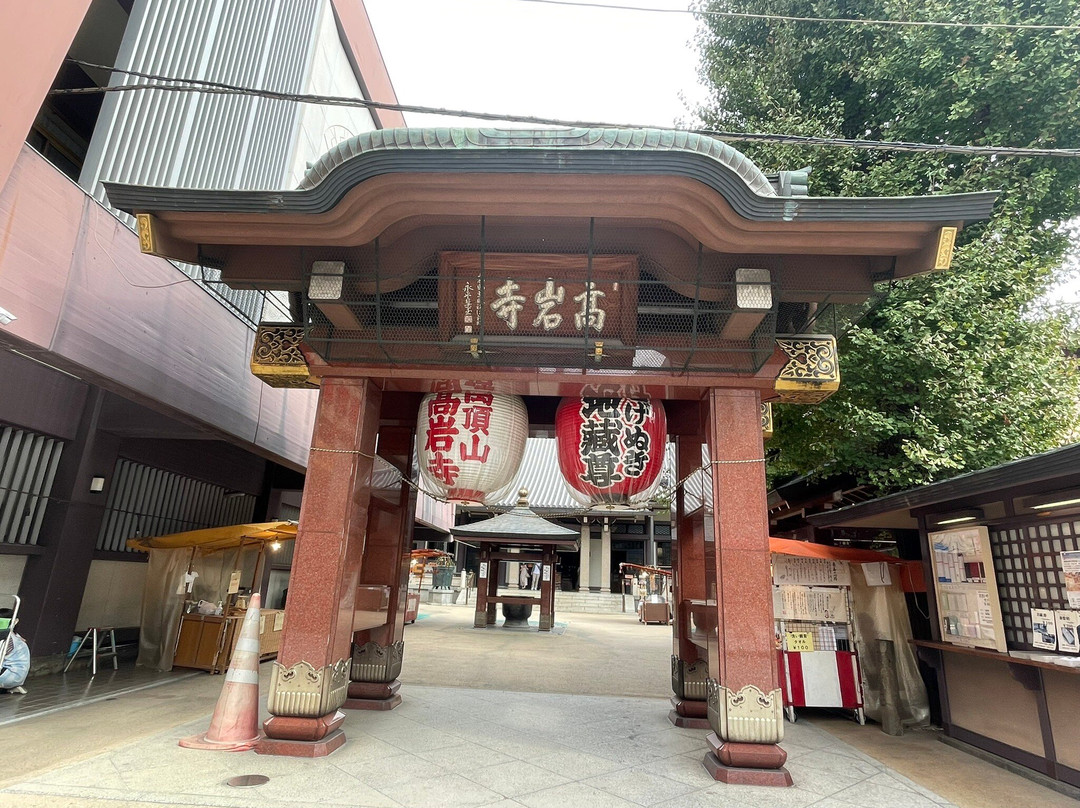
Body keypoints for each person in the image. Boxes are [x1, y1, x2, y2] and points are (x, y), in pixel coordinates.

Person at [0, 612, 29, 694]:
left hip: (9, 674)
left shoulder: (6, 638)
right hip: (18, 677)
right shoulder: (16, 636)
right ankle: (9, 687)